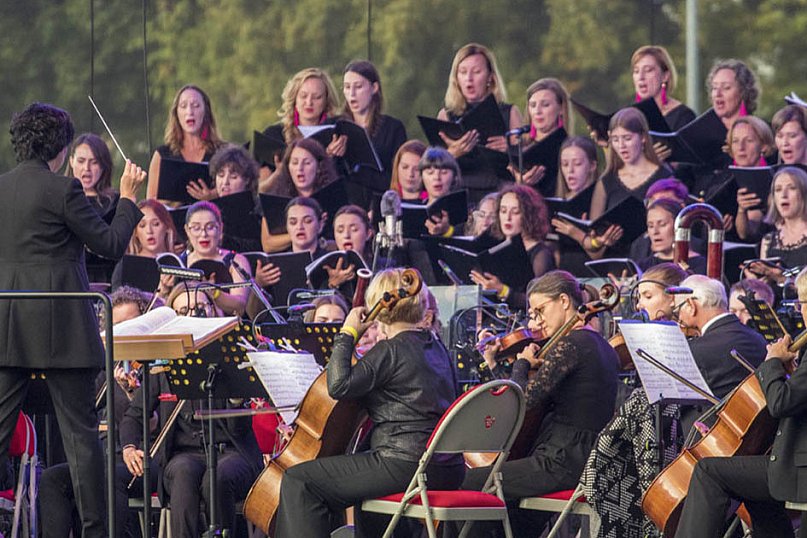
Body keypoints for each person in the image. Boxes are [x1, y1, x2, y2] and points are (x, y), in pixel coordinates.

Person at [0, 102, 145, 537]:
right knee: (82, 441)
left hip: (9, 326)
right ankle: (97, 533)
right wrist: (129, 199)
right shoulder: (63, 190)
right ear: (61, 149)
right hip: (62, 329)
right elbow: (111, 243)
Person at [272, 267, 465, 537]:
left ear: (379, 304)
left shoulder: (390, 349)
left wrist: (348, 332)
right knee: (363, 497)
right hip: (447, 468)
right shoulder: (436, 347)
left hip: (404, 464)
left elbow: (338, 385)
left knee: (300, 481)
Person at [462, 270, 620, 537]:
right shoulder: (601, 345)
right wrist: (496, 366)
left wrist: (522, 364)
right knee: (512, 515)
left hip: (560, 461)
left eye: (540, 310)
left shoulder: (570, 345)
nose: (536, 321)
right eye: (532, 314)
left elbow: (522, 402)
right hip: (584, 459)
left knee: (467, 481)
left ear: (564, 301)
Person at [120, 283, 262, 537]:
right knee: (184, 472)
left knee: (217, 478)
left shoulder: (230, 356)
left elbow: (239, 430)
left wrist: (235, 401)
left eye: (200, 308)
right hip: (182, 454)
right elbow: (134, 416)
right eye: (184, 310)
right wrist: (130, 447)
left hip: (231, 452)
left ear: (213, 312)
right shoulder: (162, 366)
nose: (193, 315)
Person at [675, 266, 807, 537]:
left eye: (801, 303)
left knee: (709, 470)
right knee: (750, 484)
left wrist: (771, 364)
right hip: (792, 462)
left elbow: (781, 403)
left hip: (798, 469)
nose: (799, 310)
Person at [39, 286, 161, 538]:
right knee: (52, 479)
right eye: (119, 325)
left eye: (133, 322)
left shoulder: (154, 366)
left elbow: (152, 426)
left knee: (106, 478)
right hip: (101, 456)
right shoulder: (102, 369)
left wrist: (129, 394)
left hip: (139, 459)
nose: (127, 331)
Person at [437, 43, 523, 202]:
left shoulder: (509, 112)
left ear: (490, 77)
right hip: (459, 193)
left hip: (499, 194)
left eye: (476, 72)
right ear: (456, 78)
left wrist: (509, 148)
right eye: (463, 72)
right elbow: (433, 167)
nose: (469, 78)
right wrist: (451, 154)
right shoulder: (446, 115)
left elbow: (524, 161)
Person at [673, 275, 768, 401]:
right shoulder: (758, 338)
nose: (679, 318)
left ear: (691, 305)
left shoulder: (696, 350)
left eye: (678, 310)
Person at [470, 184, 555, 307]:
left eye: (515, 212)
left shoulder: (541, 254)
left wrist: (502, 290)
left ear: (528, 215)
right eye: (503, 211)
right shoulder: (496, 245)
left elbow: (538, 301)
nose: (507, 218)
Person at [589, 107, 670, 220]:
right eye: (615, 139)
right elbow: (594, 230)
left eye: (627, 138)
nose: (621, 146)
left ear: (642, 137)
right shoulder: (607, 181)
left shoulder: (664, 177)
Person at [146, 84, 224, 201]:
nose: (190, 111)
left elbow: (240, 188)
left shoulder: (223, 152)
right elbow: (151, 202)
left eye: (196, 106)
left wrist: (213, 195)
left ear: (206, 112)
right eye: (183, 106)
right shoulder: (162, 155)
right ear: (176, 113)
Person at [260, 138, 339, 252]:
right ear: (288, 167)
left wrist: (323, 242)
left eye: (306, 163)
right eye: (295, 163)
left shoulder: (333, 196)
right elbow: (268, 244)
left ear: (319, 167)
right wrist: (306, 234)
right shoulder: (275, 197)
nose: (300, 169)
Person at [67, 132, 122, 283]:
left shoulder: (115, 202)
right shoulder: (62, 198)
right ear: (71, 161)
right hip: (70, 277)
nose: (87, 168)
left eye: (94, 162)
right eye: (81, 161)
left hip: (107, 278)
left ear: (104, 165)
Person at [180, 201, 251, 315]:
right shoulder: (180, 262)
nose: (204, 234)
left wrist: (215, 293)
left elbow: (240, 306)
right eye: (196, 228)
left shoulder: (235, 261)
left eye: (210, 227)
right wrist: (163, 289)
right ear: (187, 231)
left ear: (220, 228)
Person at [341, 60, 407, 181]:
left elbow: (399, 176)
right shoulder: (336, 127)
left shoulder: (392, 128)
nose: (352, 94)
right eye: (347, 87)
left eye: (358, 86)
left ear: (374, 88)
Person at [746, 167, 807, 286]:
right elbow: (766, 291)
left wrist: (783, 279)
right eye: (778, 190)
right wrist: (757, 283)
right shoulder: (769, 240)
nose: (784, 195)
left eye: (792, 188)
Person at [511, 77, 571, 196]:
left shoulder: (570, 147)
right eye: (533, 105)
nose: (537, 111)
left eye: (545, 105)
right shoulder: (519, 147)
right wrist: (519, 183)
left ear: (560, 109)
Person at [631, 45, 696, 131]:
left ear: (665, 76)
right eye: (636, 71)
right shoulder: (629, 116)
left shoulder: (683, 117)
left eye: (648, 70)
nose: (641, 77)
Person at [638, 198, 706, 273]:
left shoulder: (700, 266)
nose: (655, 231)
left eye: (662, 225)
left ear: (679, 226)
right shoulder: (641, 267)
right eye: (650, 226)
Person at [706, 59, 760, 131]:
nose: (717, 94)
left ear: (743, 91)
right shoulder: (698, 134)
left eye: (726, 87)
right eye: (714, 88)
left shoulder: (762, 132)